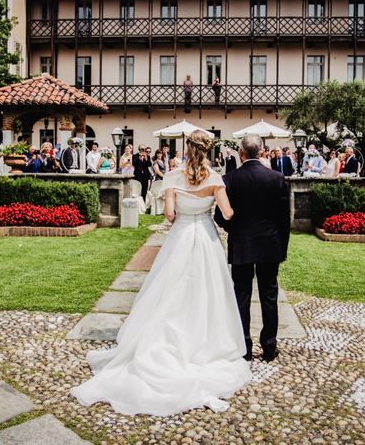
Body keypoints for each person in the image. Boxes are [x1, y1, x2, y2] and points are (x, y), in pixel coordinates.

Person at [71, 130, 251, 415]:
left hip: (180, 237)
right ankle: (205, 341)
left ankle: (164, 337)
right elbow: (227, 214)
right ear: (208, 150)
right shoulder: (216, 179)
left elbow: (169, 214)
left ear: (186, 148)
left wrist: (183, 208)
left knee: (170, 288)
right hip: (205, 238)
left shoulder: (172, 177)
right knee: (208, 289)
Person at [215, 133, 290, 363]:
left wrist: (235, 230)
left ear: (241, 153)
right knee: (269, 296)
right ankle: (269, 347)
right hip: (270, 245)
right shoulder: (277, 178)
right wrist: (282, 248)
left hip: (242, 245)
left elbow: (220, 216)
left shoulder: (230, 179)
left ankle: (244, 346)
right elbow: (284, 219)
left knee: (242, 296)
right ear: (262, 152)